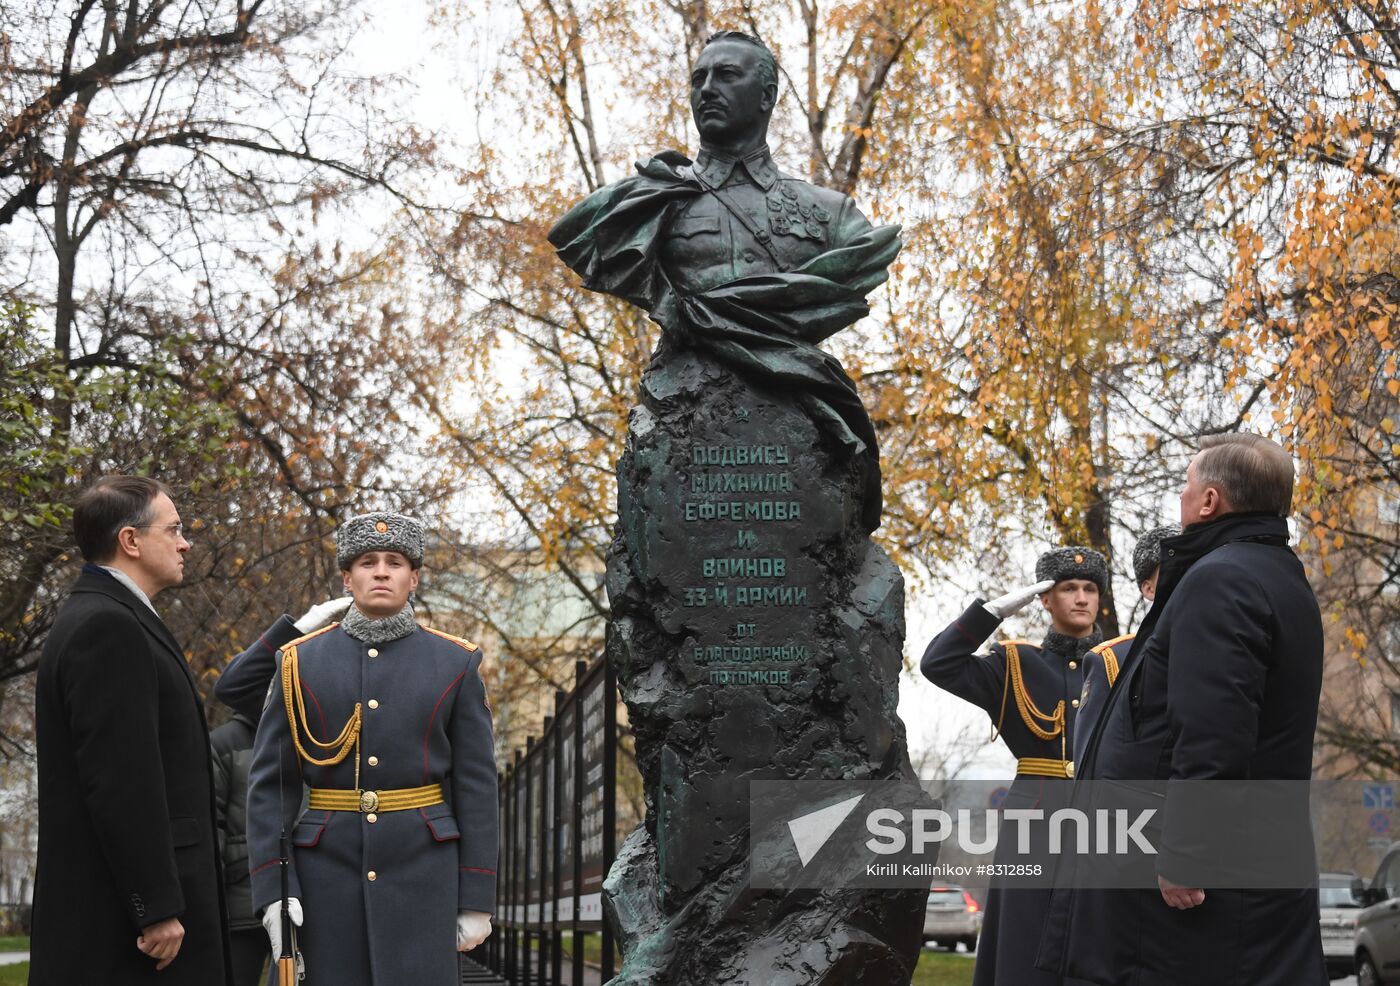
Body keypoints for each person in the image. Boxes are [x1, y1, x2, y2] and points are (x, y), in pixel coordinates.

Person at [548, 30, 901, 532]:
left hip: (796, 407)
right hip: (682, 400)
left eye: (725, 75)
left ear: (766, 96)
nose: (706, 89)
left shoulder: (831, 216)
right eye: (698, 79)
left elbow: (857, 266)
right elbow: (578, 241)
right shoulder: (643, 203)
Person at [1039, 434, 1326, 985]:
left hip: (1200, 880)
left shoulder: (1221, 578)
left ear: (1211, 500)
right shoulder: (1278, 575)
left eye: (1188, 484)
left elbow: (1215, 729)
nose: (1182, 495)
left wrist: (1188, 852)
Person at [243, 512, 497, 985]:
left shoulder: (455, 663)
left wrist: (477, 896)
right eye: (367, 562)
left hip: (425, 875)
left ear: (413, 577)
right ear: (347, 577)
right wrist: (273, 889)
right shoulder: (298, 662)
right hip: (326, 879)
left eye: (395, 562)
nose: (381, 571)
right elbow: (270, 788)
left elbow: (477, 787)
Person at [30, 476, 231, 985]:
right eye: (175, 529)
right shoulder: (108, 626)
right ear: (131, 541)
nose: (185, 543)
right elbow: (120, 780)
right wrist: (157, 906)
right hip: (132, 930)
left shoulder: (112, 616)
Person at [921, 546, 1108, 986]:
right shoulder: (1014, 664)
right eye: (1068, 589)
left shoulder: (1116, 665)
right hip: (1034, 822)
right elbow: (937, 664)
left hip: (1104, 821)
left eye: (1090, 589)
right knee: (1025, 944)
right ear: (1045, 599)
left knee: (1098, 943)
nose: (1081, 598)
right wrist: (994, 611)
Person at [212, 599, 350, 986]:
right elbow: (233, 685)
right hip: (246, 897)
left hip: (309, 886)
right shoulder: (234, 738)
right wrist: (297, 630)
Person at [1073, 525, 1177, 764]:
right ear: (1148, 589)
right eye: (1173, 569)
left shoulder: (1230, 642)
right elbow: (1093, 766)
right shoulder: (1112, 660)